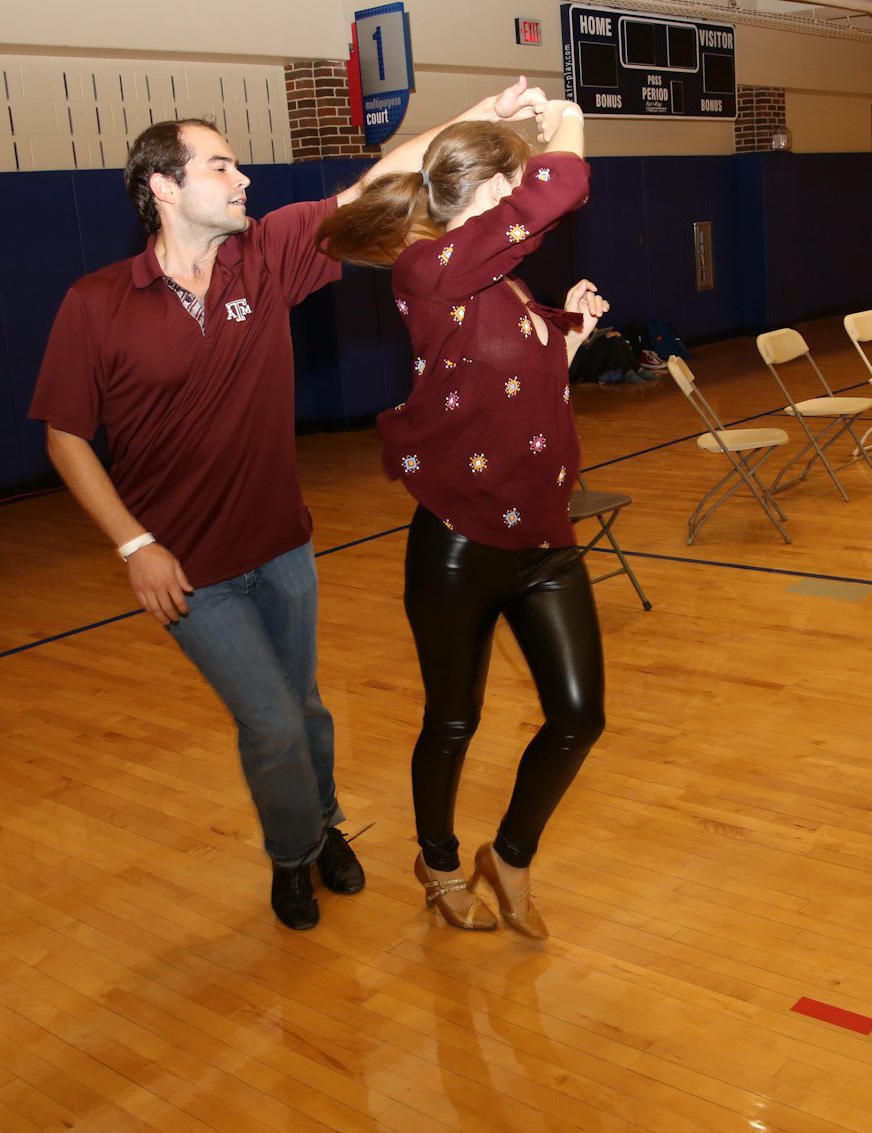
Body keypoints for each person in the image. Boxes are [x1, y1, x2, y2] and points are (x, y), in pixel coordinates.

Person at [28, 78, 550, 932]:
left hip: (283, 545)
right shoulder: (95, 304)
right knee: (270, 721)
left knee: (305, 706)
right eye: (220, 165)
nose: (243, 178)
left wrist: (481, 116)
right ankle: (293, 854)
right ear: (163, 187)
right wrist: (133, 545)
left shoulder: (263, 256)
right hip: (189, 571)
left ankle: (325, 823)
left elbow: (377, 184)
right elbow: (65, 437)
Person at [317, 99, 605, 940]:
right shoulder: (428, 268)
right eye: (515, 181)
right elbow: (562, 184)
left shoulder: (499, 279)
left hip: (543, 538)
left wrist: (574, 335)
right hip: (459, 541)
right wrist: (566, 115)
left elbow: (517, 381)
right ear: (493, 186)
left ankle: (509, 854)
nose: (525, 197)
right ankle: (438, 860)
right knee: (453, 718)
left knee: (579, 715)